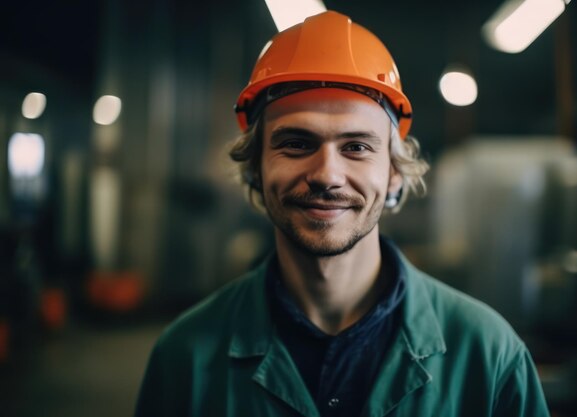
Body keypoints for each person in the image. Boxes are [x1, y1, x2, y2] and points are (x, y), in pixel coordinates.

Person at [135, 10, 550, 417]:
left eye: (356, 147)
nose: (327, 175)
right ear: (255, 169)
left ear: (392, 175)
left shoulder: (489, 354)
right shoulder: (185, 357)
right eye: (297, 143)